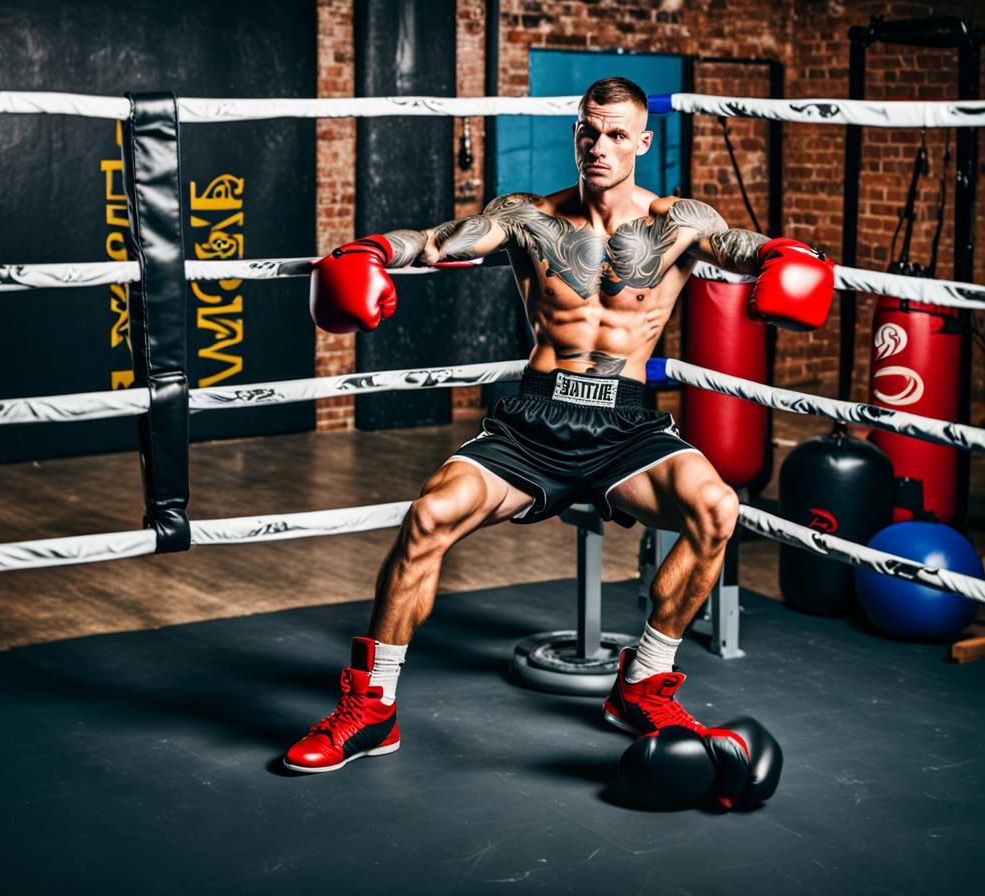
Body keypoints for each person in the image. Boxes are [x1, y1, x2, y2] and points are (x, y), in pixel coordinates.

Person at [285, 77, 833, 774]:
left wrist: (790, 260)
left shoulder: (681, 223)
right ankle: (372, 708)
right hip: (533, 423)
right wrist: (369, 253)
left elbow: (748, 249)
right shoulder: (528, 218)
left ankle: (642, 685)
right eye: (587, 131)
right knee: (429, 514)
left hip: (628, 428)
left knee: (718, 508)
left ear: (643, 140)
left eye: (614, 134)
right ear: (575, 133)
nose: (598, 146)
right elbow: (435, 242)